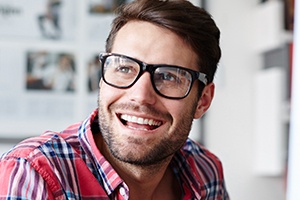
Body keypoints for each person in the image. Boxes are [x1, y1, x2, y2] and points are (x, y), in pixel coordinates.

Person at [0, 0, 229, 199]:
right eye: (125, 68)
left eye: (168, 76)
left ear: (203, 100)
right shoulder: (33, 175)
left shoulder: (206, 171)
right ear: (102, 79)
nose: (141, 96)